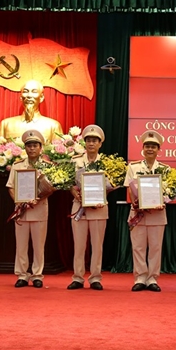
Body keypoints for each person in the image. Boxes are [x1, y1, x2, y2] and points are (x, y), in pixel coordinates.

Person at [124, 131, 168, 292]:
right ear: (142, 148)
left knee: (155, 248)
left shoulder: (165, 169)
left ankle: (152, 279)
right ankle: (140, 278)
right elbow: (130, 188)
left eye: (153, 147)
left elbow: (169, 191)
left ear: (158, 150)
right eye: (147, 146)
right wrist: (135, 202)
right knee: (138, 247)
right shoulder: (133, 167)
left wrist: (163, 201)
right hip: (138, 213)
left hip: (157, 214)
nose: (150, 149)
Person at [6, 129, 51, 288]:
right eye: (29, 146)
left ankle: (37, 275)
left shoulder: (47, 166)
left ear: (40, 147)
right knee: (21, 245)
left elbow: (51, 188)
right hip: (22, 211)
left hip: (39, 210)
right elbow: (10, 186)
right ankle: (22, 275)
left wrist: (39, 198)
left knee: (39, 246)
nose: (32, 148)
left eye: (35, 145)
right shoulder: (17, 165)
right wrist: (18, 201)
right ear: (25, 148)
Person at [67, 124, 109, 291]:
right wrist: (74, 192)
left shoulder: (107, 162)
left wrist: (103, 193)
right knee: (78, 245)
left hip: (99, 208)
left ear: (100, 144)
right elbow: (68, 181)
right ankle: (78, 277)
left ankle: (95, 278)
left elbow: (112, 184)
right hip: (79, 207)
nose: (91, 143)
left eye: (94, 141)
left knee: (97, 246)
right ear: (84, 142)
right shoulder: (75, 161)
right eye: (89, 140)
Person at [0, 79, 63, 143]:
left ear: (41, 97)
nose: (29, 95)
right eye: (25, 91)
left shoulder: (53, 126)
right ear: (21, 97)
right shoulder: (6, 124)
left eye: (34, 92)